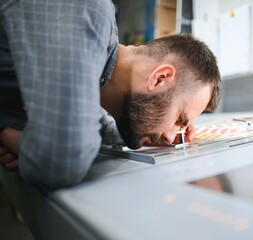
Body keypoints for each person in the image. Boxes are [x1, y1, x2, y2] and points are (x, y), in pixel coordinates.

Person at [0, 0, 221, 189]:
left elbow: (97, 124)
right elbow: (63, 160)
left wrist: (154, 134)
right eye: (179, 119)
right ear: (159, 78)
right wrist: (10, 136)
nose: (171, 137)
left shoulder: (98, 67)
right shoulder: (86, 9)